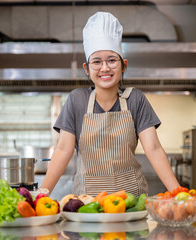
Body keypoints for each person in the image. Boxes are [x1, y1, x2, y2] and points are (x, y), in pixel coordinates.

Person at [40, 12, 180, 196]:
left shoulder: (136, 100)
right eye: (97, 61)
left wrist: (179, 194)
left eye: (112, 60)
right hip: (88, 205)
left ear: (124, 65)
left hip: (131, 204)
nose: (105, 68)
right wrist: (42, 194)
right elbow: (63, 150)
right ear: (87, 69)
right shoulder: (76, 100)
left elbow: (153, 149)